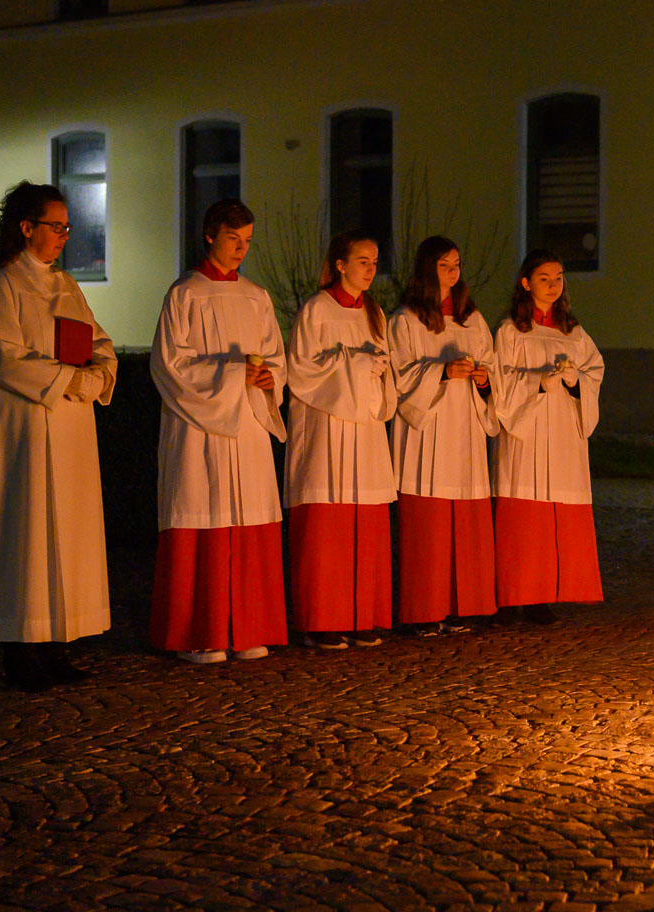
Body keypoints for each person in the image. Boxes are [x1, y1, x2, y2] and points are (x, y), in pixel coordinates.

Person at [0, 181, 117, 691]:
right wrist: (66, 379)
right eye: (56, 226)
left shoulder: (67, 285)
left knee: (69, 533)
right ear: (26, 227)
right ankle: (21, 648)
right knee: (27, 532)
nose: (64, 236)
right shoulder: (0, 285)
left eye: (67, 227)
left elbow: (99, 340)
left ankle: (58, 641)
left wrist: (99, 371)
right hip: (26, 430)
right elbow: (3, 356)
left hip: (71, 429)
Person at [150, 198, 288, 664]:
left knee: (248, 516)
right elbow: (169, 365)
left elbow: (276, 356)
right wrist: (231, 374)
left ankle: (249, 626)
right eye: (233, 239)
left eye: (247, 241)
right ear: (210, 235)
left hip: (247, 425)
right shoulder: (184, 294)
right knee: (202, 514)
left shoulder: (256, 296)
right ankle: (200, 633)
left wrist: (269, 379)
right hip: (198, 429)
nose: (241, 249)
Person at [285, 231, 397, 649]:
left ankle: (360, 614)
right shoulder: (316, 309)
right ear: (340, 265)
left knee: (363, 523)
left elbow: (385, 370)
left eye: (375, 262)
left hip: (364, 431)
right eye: (363, 261)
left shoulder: (374, 313)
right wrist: (355, 364)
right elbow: (302, 371)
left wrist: (377, 370)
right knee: (327, 526)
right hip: (326, 430)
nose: (371, 269)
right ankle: (321, 619)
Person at [389, 236, 499, 636]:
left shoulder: (473, 320)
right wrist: (441, 371)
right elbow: (399, 377)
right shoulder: (406, 319)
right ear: (426, 269)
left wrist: (484, 379)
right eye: (444, 266)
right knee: (428, 526)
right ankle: (423, 610)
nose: (453, 273)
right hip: (428, 431)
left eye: (456, 265)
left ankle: (460, 606)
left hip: (465, 429)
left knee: (464, 524)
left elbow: (494, 368)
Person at [491, 249, 605, 622]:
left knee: (553, 513)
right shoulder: (511, 331)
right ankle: (512, 596)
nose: (553, 285)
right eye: (544, 278)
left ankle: (542, 595)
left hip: (562, 433)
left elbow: (594, 371)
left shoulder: (573, 332)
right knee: (524, 515)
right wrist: (537, 382)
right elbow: (500, 381)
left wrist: (576, 381)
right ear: (526, 283)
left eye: (558, 278)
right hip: (527, 432)